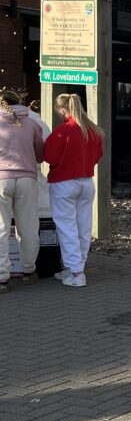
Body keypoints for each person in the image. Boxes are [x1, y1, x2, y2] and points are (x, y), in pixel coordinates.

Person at [43, 93, 103, 288]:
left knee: (66, 227)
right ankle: (77, 268)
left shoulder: (63, 131)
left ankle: (75, 272)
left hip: (63, 182)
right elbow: (97, 156)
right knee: (83, 227)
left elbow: (49, 156)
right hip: (86, 182)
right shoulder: (92, 130)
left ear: (62, 109)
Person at [0, 90, 44, 293]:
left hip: (1, 179)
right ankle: (29, 271)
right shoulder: (32, 123)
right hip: (27, 178)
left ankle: (2, 278)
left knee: (1, 229)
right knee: (27, 226)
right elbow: (40, 154)